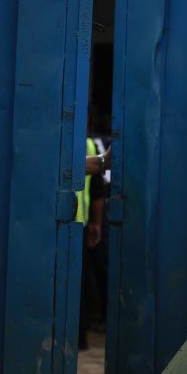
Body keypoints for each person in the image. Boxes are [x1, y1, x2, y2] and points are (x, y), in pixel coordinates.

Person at [77, 136, 109, 350]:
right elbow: (98, 191)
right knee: (78, 286)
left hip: (75, 225)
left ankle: (78, 338)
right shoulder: (85, 143)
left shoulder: (85, 144)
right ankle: (78, 338)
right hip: (77, 225)